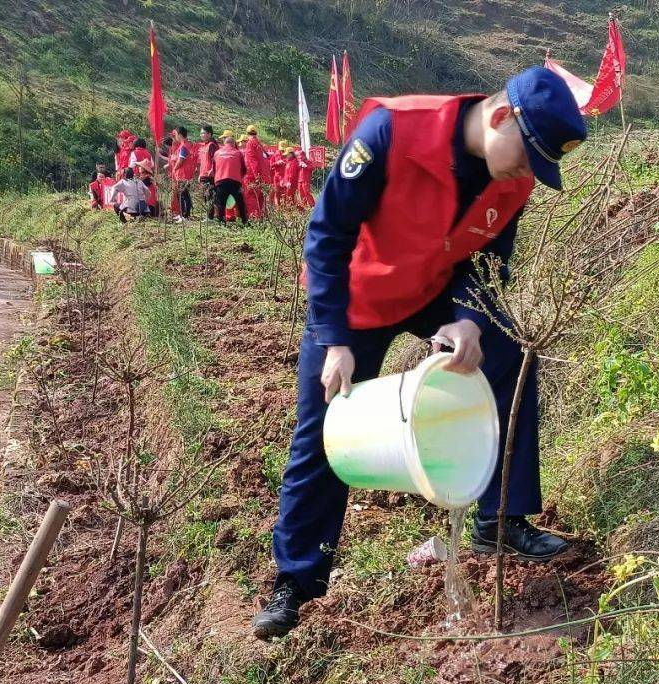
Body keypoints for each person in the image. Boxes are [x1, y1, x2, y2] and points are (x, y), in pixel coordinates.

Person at [251, 66, 587, 639]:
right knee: (324, 428)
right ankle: (296, 583)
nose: (529, 173)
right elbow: (327, 236)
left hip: (430, 291)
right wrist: (334, 340)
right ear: (501, 117)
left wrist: (470, 321)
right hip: (355, 301)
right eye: (529, 157)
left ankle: (500, 518)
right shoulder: (391, 132)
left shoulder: (512, 178)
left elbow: (488, 262)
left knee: (509, 354)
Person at [212, 136, 248, 225]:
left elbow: (213, 169)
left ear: (225, 143)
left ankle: (221, 221)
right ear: (233, 143)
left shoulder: (217, 153)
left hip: (220, 180)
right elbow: (244, 169)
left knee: (221, 202)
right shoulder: (238, 153)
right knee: (240, 202)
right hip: (235, 181)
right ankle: (244, 221)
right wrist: (240, 178)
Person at [169, 126, 196, 221]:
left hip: (183, 174)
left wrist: (175, 168)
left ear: (180, 135)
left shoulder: (184, 146)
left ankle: (185, 215)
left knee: (184, 194)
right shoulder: (183, 145)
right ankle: (183, 214)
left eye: (175, 134)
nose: (174, 137)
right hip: (182, 174)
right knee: (182, 194)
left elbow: (181, 159)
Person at [197, 125, 220, 220]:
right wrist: (199, 174)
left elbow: (216, 159)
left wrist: (212, 170)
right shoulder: (204, 145)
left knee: (210, 195)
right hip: (203, 174)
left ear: (209, 134)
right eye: (201, 133)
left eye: (203, 133)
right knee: (205, 195)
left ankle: (211, 217)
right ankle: (209, 216)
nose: (201, 135)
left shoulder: (212, 145)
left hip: (209, 174)